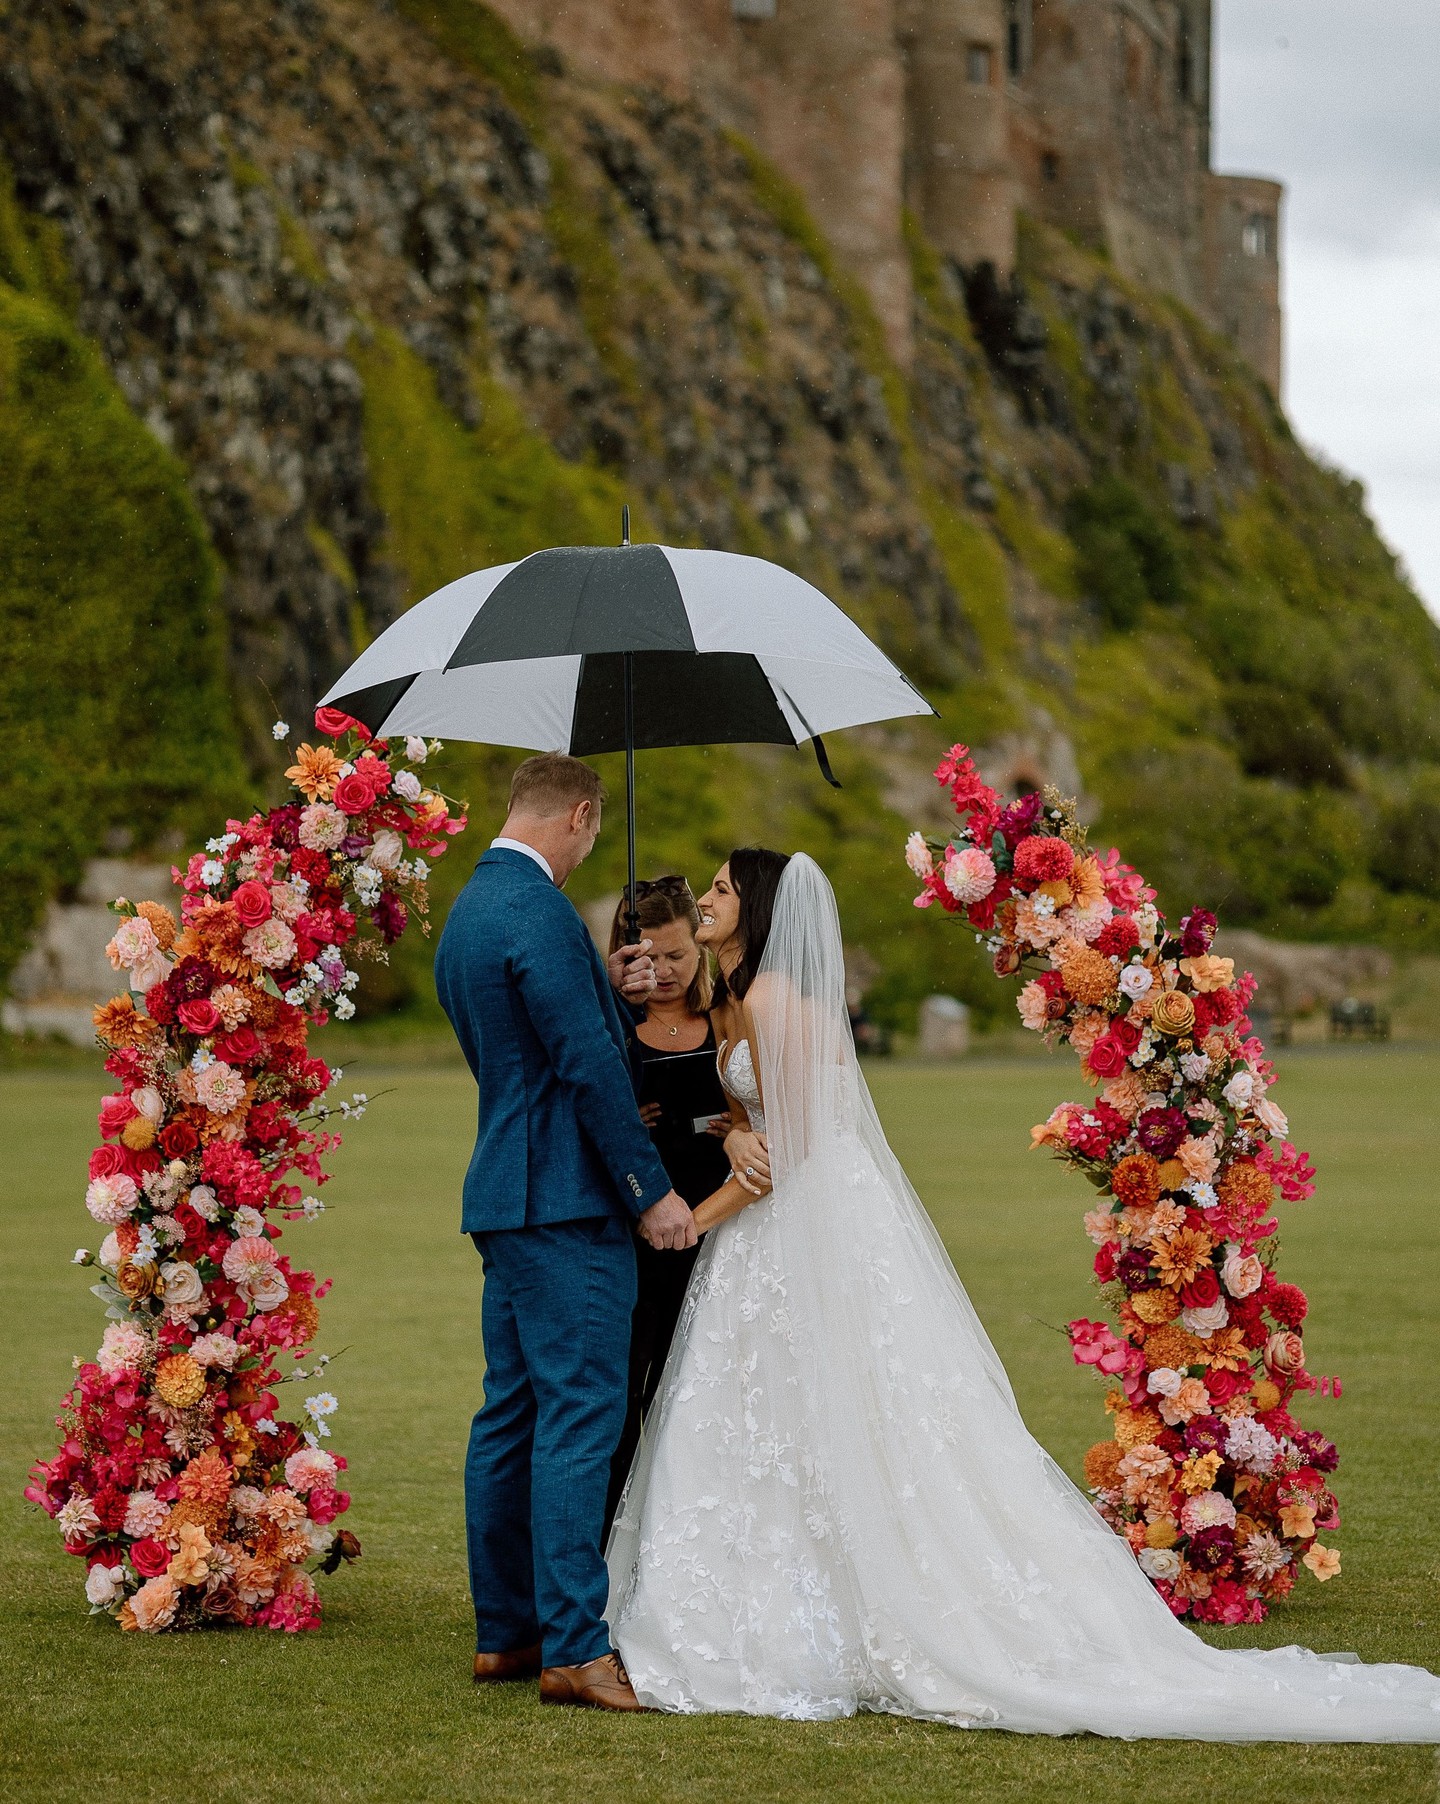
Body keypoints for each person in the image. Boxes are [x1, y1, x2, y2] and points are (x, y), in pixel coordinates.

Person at [607, 849, 1440, 1739]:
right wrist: (735, 1133)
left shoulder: (777, 1000)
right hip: (771, 1230)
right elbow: (757, 1111)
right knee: (774, 1408)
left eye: (722, 889)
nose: (706, 899)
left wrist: (691, 1221)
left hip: (800, 1218)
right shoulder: (738, 997)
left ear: (757, 906)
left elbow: (797, 1145)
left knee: (849, 1403)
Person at [434, 753, 694, 1715]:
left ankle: (507, 1633)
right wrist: (649, 1189)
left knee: (511, 1413)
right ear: (582, 815)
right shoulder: (541, 913)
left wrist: (607, 987)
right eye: (592, 833)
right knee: (582, 1412)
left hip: (505, 1191)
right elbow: (585, 1066)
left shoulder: (472, 909)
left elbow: (531, 1048)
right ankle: (577, 1649)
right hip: (568, 1201)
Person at [603, 877, 731, 1532]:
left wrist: (736, 1126)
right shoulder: (614, 1031)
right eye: (648, 957)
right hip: (636, 1240)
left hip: (719, 1234)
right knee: (627, 1394)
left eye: (678, 955)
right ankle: (614, 1539)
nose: (664, 972)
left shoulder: (726, 1018)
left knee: (702, 1395)